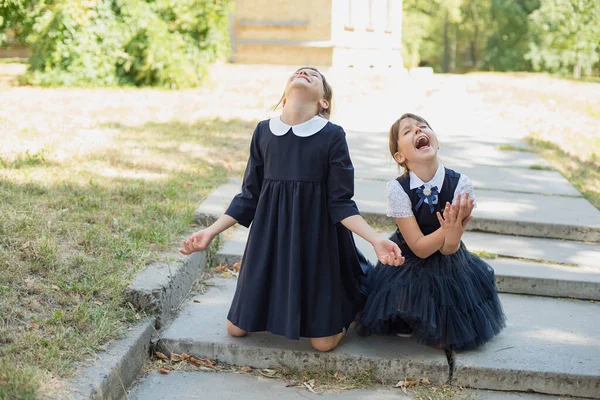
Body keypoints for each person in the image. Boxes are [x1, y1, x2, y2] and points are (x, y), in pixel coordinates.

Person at [180, 67, 404, 352]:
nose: (305, 72)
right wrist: (210, 232)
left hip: (317, 243)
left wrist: (375, 239)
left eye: (315, 75)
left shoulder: (332, 136)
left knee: (323, 343)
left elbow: (341, 202)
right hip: (269, 242)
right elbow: (249, 196)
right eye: (300, 71)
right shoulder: (263, 131)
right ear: (284, 96)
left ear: (323, 102)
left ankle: (347, 304)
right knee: (235, 329)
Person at [358, 113, 505, 352]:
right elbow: (419, 248)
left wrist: (452, 232)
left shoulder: (460, 184)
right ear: (400, 156)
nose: (417, 131)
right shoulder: (398, 189)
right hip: (410, 255)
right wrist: (446, 228)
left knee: (448, 325)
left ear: (436, 142)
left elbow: (449, 248)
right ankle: (407, 314)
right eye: (407, 131)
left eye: (423, 126)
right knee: (404, 300)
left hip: (449, 258)